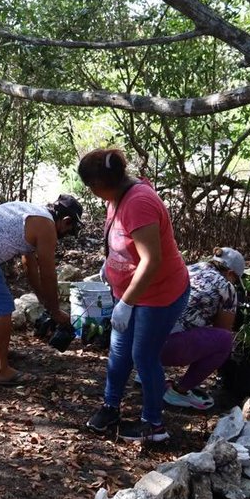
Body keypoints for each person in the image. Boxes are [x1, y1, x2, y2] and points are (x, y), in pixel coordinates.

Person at [79, 148, 189, 442]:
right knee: (119, 350)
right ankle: (110, 406)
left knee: (144, 356)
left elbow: (151, 260)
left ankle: (154, 426)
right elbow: (121, 240)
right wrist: (110, 264)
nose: (91, 192)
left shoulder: (139, 202)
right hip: (128, 290)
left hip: (159, 293)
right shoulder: (116, 195)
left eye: (90, 186)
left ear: (101, 183)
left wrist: (126, 303)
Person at [0, 195, 83, 386]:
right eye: (69, 229)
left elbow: (30, 266)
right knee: (3, 309)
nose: (66, 234)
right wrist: (55, 312)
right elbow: (48, 274)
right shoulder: (46, 227)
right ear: (66, 220)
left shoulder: (34, 214)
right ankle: (1, 370)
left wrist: (43, 300)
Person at [160, 247, 245, 410]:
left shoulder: (191, 268)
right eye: (236, 279)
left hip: (141, 338)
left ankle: (146, 373)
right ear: (230, 273)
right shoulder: (226, 287)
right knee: (224, 340)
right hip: (166, 347)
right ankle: (179, 392)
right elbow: (222, 328)